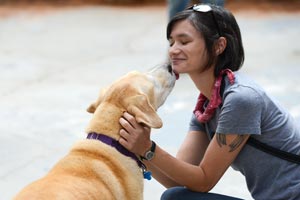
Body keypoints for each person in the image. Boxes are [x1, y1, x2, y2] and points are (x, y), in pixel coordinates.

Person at [118, 3, 300, 200]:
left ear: (218, 46)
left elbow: (204, 181)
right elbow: (178, 182)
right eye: (171, 42)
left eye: (184, 42)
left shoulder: (242, 98)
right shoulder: (207, 104)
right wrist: (140, 150)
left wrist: (147, 148)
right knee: (175, 196)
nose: (173, 50)